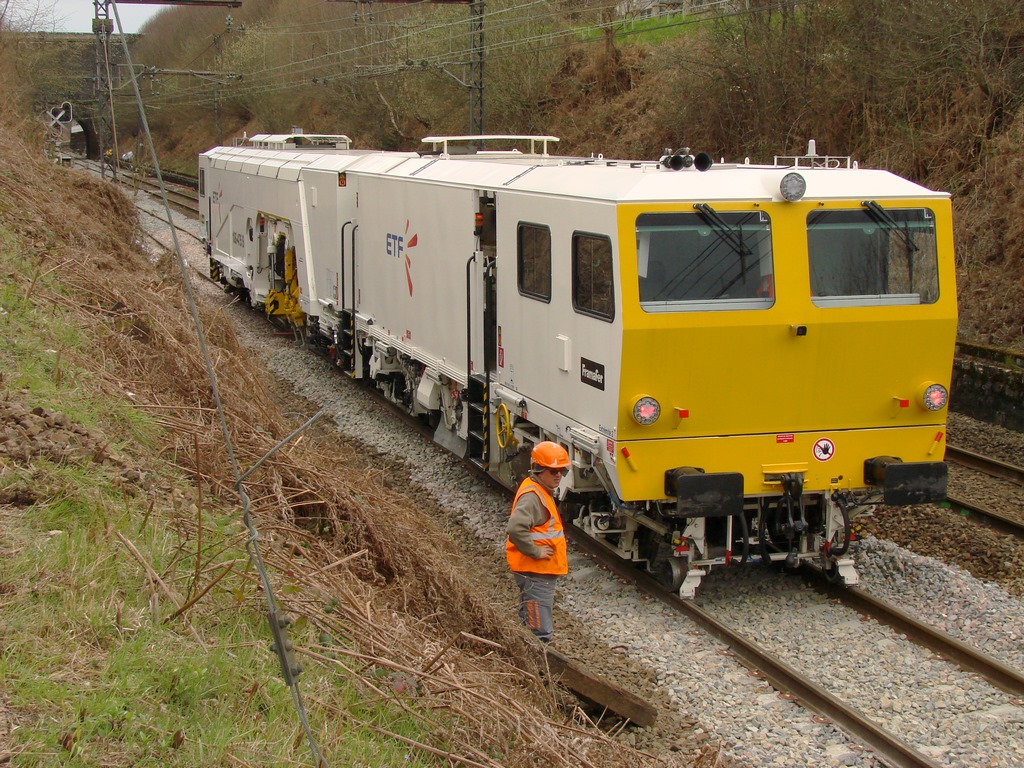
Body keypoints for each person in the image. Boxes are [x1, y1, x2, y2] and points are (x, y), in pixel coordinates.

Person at [506, 441, 570, 643]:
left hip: (538, 571)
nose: (558, 475)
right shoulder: (533, 497)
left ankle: (524, 654)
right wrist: (535, 551)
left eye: (562, 470)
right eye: (553, 471)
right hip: (536, 571)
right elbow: (515, 528)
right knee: (539, 632)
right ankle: (538, 660)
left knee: (530, 622)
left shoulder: (539, 489)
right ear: (539, 469)